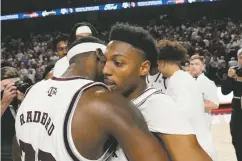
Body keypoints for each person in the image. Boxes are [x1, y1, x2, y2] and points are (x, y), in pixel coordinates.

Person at [13, 36, 169, 161]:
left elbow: (17, 151)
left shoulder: (32, 92)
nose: (109, 70)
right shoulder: (103, 100)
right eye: (110, 61)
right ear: (99, 55)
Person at [103, 23, 212, 161]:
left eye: (118, 63)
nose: (105, 70)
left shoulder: (158, 106)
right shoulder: (117, 102)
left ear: (144, 68)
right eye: (103, 61)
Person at [156, 40, 216, 160]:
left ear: (162, 62)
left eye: (157, 64)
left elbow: (183, 114)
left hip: (194, 147)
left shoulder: (177, 82)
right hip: (199, 141)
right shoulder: (183, 78)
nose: (158, 68)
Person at [221, 48, 242, 161]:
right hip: (237, 113)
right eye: (240, 57)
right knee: (237, 141)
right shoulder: (234, 71)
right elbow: (225, 91)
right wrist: (229, 77)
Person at [1, 67, 25, 161]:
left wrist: (24, 101)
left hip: (23, 153)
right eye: (6, 86)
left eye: (15, 85)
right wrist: (4, 103)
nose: (11, 90)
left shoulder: (24, 98)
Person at [190, 55, 219, 128]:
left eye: (197, 64)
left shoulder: (208, 83)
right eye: (191, 64)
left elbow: (214, 104)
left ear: (203, 67)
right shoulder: (186, 82)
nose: (193, 66)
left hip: (202, 124)